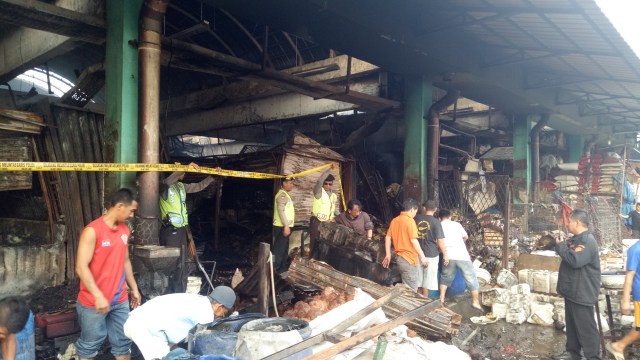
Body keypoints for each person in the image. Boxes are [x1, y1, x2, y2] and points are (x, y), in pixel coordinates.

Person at [75, 188, 141, 360]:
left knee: (123, 344)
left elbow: (125, 260)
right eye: (131, 210)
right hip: (92, 302)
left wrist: (134, 288)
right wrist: (98, 296)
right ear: (120, 206)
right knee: (89, 347)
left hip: (119, 300)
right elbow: (81, 267)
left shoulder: (125, 231)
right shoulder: (92, 231)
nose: (132, 215)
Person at [123, 286, 236, 360]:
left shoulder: (200, 300)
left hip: (138, 321)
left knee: (174, 352)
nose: (222, 315)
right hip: (144, 327)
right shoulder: (205, 312)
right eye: (224, 311)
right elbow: (203, 344)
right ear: (219, 306)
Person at [159, 162, 215, 292]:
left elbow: (198, 186)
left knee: (181, 263)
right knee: (170, 263)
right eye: (182, 171)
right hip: (170, 229)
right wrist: (183, 167)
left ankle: (179, 291)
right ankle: (167, 292)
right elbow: (169, 180)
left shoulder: (181, 187)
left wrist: (212, 177)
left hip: (182, 230)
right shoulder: (164, 186)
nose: (184, 173)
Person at [555, 209, 601, 360]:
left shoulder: (588, 241)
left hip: (582, 291)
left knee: (586, 327)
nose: (567, 224)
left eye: (569, 221)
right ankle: (572, 353)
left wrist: (562, 247)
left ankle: (593, 356)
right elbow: (568, 252)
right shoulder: (577, 239)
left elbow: (576, 261)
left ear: (577, 222)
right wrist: (560, 244)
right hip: (572, 290)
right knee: (572, 325)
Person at [438, 209, 482, 310]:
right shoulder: (457, 225)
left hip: (448, 255)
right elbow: (466, 237)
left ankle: (441, 299)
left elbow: (438, 241)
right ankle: (475, 301)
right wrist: (459, 242)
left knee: (445, 277)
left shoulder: (439, 225)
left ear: (439, 218)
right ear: (450, 216)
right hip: (462, 255)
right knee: (471, 278)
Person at [382, 198, 428, 291]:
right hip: (409, 259)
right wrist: (422, 256)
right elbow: (414, 240)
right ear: (412, 210)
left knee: (406, 287)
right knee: (411, 290)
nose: (415, 214)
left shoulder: (395, 220)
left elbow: (387, 237)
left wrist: (388, 254)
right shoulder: (410, 221)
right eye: (415, 211)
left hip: (399, 259)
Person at [607, 238, 640, 360]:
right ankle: (618, 346)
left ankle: (619, 346)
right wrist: (625, 300)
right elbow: (629, 275)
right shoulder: (635, 249)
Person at [414, 200, 444, 298]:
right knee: (427, 282)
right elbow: (439, 240)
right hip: (431, 254)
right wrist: (445, 254)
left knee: (418, 280)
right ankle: (424, 301)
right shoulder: (436, 222)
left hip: (417, 253)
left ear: (424, 208)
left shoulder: (416, 219)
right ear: (435, 210)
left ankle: (416, 302)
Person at [309, 165, 339, 258]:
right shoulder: (318, 192)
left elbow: (333, 209)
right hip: (317, 222)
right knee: (314, 244)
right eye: (326, 183)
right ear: (323, 184)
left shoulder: (333, 196)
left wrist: (341, 217)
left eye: (330, 184)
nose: (327, 186)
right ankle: (311, 263)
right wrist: (329, 170)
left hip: (328, 224)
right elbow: (319, 181)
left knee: (324, 246)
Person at [273, 176, 295, 273]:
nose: (292, 185)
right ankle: (274, 272)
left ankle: (282, 270)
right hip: (282, 227)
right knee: (279, 251)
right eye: (290, 183)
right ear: (284, 183)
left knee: (284, 250)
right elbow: (281, 211)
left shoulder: (286, 195)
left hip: (285, 227)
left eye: (292, 183)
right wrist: (286, 226)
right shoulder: (282, 195)